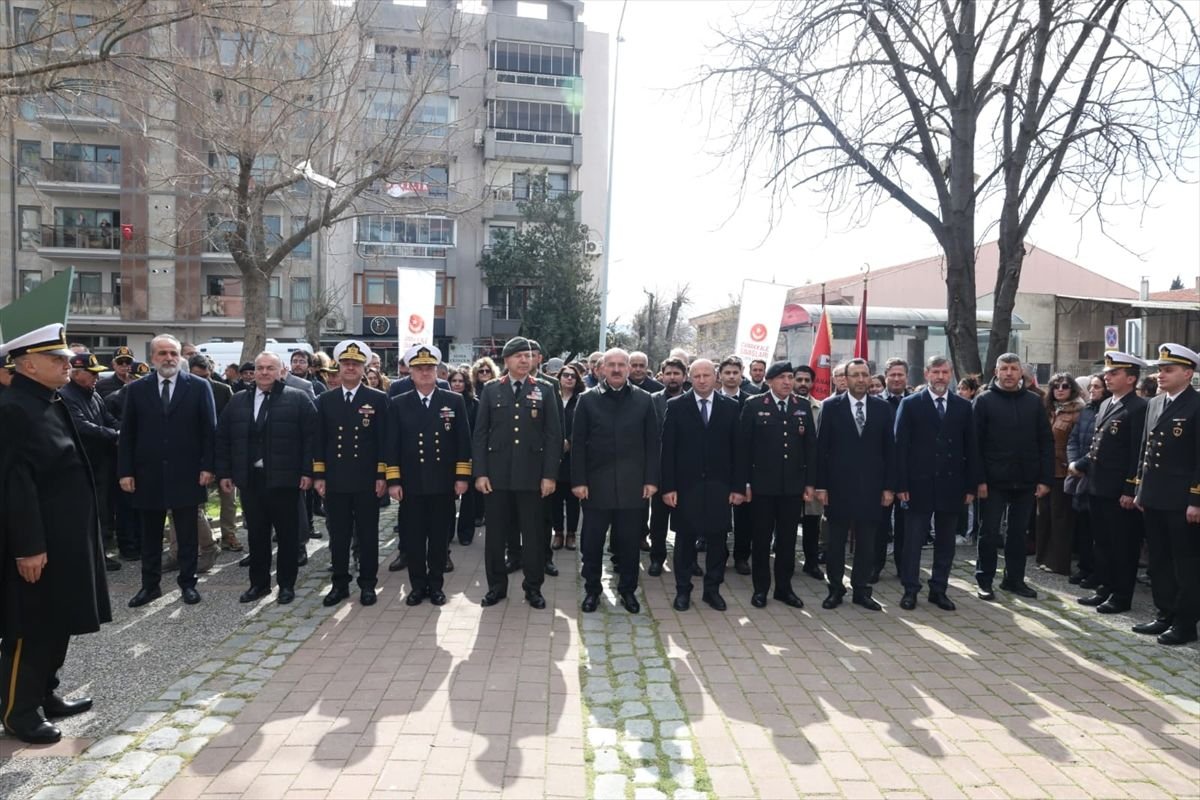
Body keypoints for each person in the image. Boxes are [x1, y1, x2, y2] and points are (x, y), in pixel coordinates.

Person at [0, 323, 112, 744]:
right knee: (32, 626)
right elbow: (14, 483)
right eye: (57, 359)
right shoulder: (14, 409)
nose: (68, 364)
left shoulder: (49, 401)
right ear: (27, 365)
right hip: (39, 543)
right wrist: (28, 546)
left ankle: (45, 693)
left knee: (59, 618)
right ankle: (17, 711)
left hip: (67, 536)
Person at [119, 334, 217, 608]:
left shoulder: (198, 387)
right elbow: (127, 433)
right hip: (146, 474)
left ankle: (188, 583)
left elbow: (210, 430)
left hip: (187, 473)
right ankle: (150, 586)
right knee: (150, 536)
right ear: (152, 358)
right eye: (162, 353)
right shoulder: (137, 389)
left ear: (180, 356)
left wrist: (208, 466)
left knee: (186, 534)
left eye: (173, 353)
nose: (169, 358)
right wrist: (125, 471)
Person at [215, 352, 315, 605]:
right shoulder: (238, 401)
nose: (264, 372)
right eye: (260, 368)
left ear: (282, 371)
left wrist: (307, 472)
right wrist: (225, 473)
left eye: (271, 368)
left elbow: (311, 439)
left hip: (286, 480)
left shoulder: (298, 399)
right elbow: (224, 439)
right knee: (257, 536)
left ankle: (286, 585)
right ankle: (258, 584)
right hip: (251, 480)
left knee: (287, 536)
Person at [473, 337, 562, 609]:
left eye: (530, 355)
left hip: (532, 478)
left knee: (534, 536)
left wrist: (549, 475)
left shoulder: (545, 390)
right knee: (496, 537)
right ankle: (496, 587)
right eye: (519, 355)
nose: (525, 360)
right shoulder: (490, 390)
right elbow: (480, 434)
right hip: (497, 478)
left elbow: (553, 436)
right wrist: (481, 473)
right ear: (507, 360)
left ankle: (533, 588)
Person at [573, 348, 660, 614]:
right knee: (592, 544)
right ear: (600, 369)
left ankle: (627, 591)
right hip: (595, 487)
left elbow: (652, 443)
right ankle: (592, 591)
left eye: (621, 364)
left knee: (629, 543)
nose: (617, 369)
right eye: (610, 364)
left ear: (629, 369)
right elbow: (578, 445)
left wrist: (651, 480)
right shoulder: (587, 400)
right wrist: (578, 481)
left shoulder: (644, 400)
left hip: (633, 486)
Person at [893, 356, 980, 611]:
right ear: (926, 374)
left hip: (951, 485)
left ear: (951, 374)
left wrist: (970, 486)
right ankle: (910, 589)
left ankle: (939, 588)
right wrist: (900, 485)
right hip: (917, 484)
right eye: (935, 372)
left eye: (944, 372)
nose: (940, 377)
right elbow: (900, 447)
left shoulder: (963, 407)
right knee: (913, 541)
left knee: (946, 542)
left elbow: (971, 448)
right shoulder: (910, 404)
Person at [387, 345, 471, 606]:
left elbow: (463, 443)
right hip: (411, 484)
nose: (425, 372)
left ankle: (435, 586)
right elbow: (392, 445)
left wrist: (462, 477)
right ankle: (417, 586)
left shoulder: (453, 401)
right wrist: (393, 480)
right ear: (410, 372)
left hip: (442, 482)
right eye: (419, 368)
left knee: (438, 539)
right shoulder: (399, 403)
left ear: (438, 372)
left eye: (430, 368)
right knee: (413, 539)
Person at [1068, 354, 1147, 614]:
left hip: (1118, 491)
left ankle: (1121, 596)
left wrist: (1130, 489)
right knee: (1101, 543)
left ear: (1131, 378)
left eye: (1114, 373)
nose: (1107, 377)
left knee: (1122, 546)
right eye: (1107, 373)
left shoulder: (1138, 407)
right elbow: (1097, 447)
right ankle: (1105, 588)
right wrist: (1082, 465)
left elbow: (1138, 452)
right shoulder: (1105, 405)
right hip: (1098, 486)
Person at [661, 359, 742, 611]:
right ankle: (683, 590)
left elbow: (738, 451)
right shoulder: (676, 406)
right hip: (686, 488)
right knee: (685, 543)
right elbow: (668, 451)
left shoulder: (730, 406)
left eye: (707, 375)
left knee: (717, 543)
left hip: (720, 488)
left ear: (715, 377)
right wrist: (668, 487)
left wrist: (738, 487)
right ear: (689, 378)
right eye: (697, 376)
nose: (702, 380)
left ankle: (712, 590)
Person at [814, 358, 895, 611]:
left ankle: (862, 591)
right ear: (845, 379)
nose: (861, 379)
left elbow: (890, 451)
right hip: (838, 488)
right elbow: (821, 450)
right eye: (855, 375)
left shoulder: (883, 409)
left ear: (870, 378)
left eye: (864, 374)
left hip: (872, 488)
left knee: (867, 543)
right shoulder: (830, 407)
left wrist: (888, 487)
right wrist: (821, 486)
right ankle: (835, 589)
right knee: (835, 543)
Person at [973, 353, 1054, 602]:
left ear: (1022, 373)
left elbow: (1045, 442)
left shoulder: (1033, 402)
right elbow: (974, 444)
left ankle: (1014, 580)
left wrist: (1045, 479)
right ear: (996, 372)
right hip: (993, 481)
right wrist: (979, 480)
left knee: (1018, 534)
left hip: (1026, 479)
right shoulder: (984, 401)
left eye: (1014, 369)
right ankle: (984, 580)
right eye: (1004, 369)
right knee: (989, 533)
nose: (1009, 373)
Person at [1132, 343, 1199, 645]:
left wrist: (1195, 499)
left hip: (1181, 500)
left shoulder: (1196, 405)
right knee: (1158, 559)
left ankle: (1185, 623)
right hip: (1155, 496)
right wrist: (1139, 490)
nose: (1161, 374)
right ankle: (1164, 614)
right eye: (1159, 369)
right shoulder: (1155, 403)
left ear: (1188, 373)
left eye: (1168, 369)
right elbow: (1145, 451)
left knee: (1184, 563)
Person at [735, 361, 816, 609]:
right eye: (782, 377)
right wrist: (744, 483)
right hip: (762, 487)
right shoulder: (755, 405)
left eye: (790, 377)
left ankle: (784, 588)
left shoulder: (801, 406)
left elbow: (810, 448)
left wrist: (810, 482)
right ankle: (761, 589)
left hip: (792, 488)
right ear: (769, 381)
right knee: (760, 540)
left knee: (788, 541)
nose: (788, 382)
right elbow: (743, 449)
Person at [314, 341, 387, 607]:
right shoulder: (324, 400)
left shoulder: (378, 399)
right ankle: (340, 584)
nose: (350, 368)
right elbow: (319, 441)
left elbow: (384, 441)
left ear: (363, 368)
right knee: (339, 536)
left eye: (356, 364)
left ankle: (368, 584)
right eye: (346, 364)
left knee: (368, 536)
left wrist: (382, 475)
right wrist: (319, 476)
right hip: (335, 479)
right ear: (338, 367)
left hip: (367, 480)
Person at [59, 352, 123, 571]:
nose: (97, 378)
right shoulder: (66, 395)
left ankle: (100, 554)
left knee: (103, 510)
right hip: (83, 464)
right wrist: (114, 435)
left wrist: (120, 430)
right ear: (77, 374)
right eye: (92, 374)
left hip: (101, 463)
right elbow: (82, 426)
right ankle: (93, 557)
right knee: (89, 513)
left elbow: (107, 418)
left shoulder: (92, 393)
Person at [189, 355, 241, 552]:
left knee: (228, 497)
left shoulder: (223, 390)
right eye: (198, 376)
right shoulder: (185, 390)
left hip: (223, 451)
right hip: (197, 454)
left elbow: (232, 422)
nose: (204, 381)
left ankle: (229, 534)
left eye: (207, 376)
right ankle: (203, 539)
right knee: (197, 500)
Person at [1036, 372, 1085, 576]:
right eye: (1056, 386)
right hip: (1044, 470)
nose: (1060, 389)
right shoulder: (1047, 409)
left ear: (1072, 388)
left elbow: (1078, 442)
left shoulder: (1078, 411)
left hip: (1065, 471)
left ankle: (1059, 563)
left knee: (1061, 518)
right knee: (1043, 515)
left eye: (1065, 386)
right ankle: (1043, 557)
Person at [1065, 374, 1108, 585]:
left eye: (1097, 387)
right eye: (1090, 387)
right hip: (1080, 477)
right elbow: (1073, 439)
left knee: (1097, 530)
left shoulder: (1107, 410)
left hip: (1096, 475)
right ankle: (1085, 567)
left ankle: (1097, 572)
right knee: (1082, 527)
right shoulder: (1087, 410)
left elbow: (1099, 446)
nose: (1092, 391)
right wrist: (1073, 462)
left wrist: (1081, 464)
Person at [648, 358, 689, 566]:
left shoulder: (692, 400)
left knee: (687, 519)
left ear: (684, 376)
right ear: (662, 375)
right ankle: (657, 557)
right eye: (669, 373)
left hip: (686, 470)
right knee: (658, 518)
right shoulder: (651, 400)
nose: (672, 377)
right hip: (659, 468)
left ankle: (687, 560)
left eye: (676, 373)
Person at [875, 357, 911, 583]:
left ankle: (904, 567)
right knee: (879, 525)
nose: (896, 379)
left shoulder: (916, 402)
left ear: (907, 377)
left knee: (906, 526)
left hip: (909, 475)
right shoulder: (875, 403)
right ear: (885, 376)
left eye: (901, 374)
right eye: (892, 375)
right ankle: (875, 567)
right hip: (882, 474)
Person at [791, 364, 825, 579]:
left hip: (813, 473)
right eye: (799, 379)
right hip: (789, 472)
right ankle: (786, 561)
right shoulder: (785, 406)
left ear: (813, 383)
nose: (803, 384)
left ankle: (811, 562)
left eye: (807, 380)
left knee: (813, 521)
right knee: (787, 520)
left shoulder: (821, 408)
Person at [551, 363, 583, 552]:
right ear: (559, 378)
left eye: (573, 376)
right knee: (555, 498)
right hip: (554, 457)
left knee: (572, 499)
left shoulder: (581, 400)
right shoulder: (552, 397)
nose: (569, 378)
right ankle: (558, 533)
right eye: (566, 375)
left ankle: (571, 534)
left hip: (574, 456)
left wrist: (569, 442)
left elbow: (583, 426)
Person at [449, 367, 481, 545]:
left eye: (461, 381)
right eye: (454, 381)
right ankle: (447, 532)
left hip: (469, 455)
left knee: (468, 496)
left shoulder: (474, 403)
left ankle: (466, 533)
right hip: (448, 455)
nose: (457, 384)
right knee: (448, 496)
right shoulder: (444, 401)